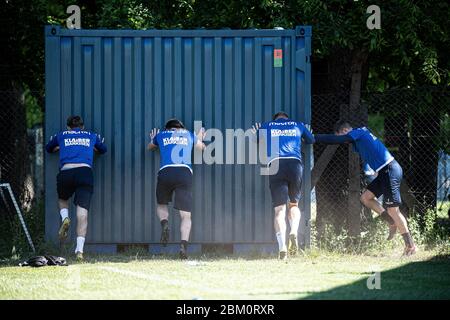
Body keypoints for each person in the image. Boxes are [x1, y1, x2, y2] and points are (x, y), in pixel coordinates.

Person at [314, 120, 417, 256]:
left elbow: (338, 139)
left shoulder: (358, 132)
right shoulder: (358, 137)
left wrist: (314, 137)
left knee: (394, 210)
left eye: (340, 136)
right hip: (383, 172)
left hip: (390, 169)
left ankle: (410, 246)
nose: (342, 141)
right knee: (365, 198)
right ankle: (390, 221)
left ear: (344, 131)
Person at [252, 112, 314, 260]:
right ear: (287, 118)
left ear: (275, 119)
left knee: (279, 210)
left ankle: (282, 247)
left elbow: (255, 140)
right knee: (294, 204)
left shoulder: (267, 125)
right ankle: (293, 230)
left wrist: (256, 132)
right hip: (294, 164)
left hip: (275, 165)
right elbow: (311, 140)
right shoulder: (297, 124)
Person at [46, 115, 107, 261]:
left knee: (63, 199)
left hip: (66, 171)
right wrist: (92, 147)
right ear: (82, 127)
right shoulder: (91, 135)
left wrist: (61, 146)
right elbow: (103, 149)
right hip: (84, 172)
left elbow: (49, 148)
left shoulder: (61, 135)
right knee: (82, 214)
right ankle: (79, 251)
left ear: (68, 127)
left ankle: (65, 218)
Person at [148, 119, 205, 259]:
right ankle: (183, 247)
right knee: (186, 216)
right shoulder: (189, 135)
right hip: (184, 173)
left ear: (168, 128)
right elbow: (202, 147)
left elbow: (150, 147)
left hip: (166, 172)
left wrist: (152, 139)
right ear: (181, 127)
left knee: (162, 204)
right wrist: (200, 138)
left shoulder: (162, 135)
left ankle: (165, 223)